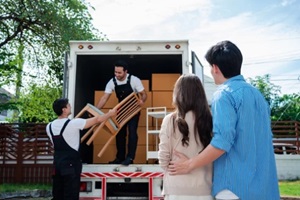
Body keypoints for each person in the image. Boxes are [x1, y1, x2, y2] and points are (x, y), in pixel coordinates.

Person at [168, 41, 280, 200]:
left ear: (215, 68)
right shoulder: (258, 96)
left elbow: (222, 142)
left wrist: (189, 164)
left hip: (234, 189)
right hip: (265, 189)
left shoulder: (224, 95)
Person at [46, 98, 116, 200]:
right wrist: (109, 114)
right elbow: (97, 120)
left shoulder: (49, 126)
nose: (70, 106)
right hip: (71, 167)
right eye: (68, 105)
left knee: (58, 194)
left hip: (57, 166)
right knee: (71, 195)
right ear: (64, 110)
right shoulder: (73, 123)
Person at [158, 74, 213, 200]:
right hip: (204, 190)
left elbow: (163, 160)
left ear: (178, 94)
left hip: (176, 190)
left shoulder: (170, 120)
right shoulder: (211, 121)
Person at [96, 60, 147, 166]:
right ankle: (120, 158)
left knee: (132, 132)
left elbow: (144, 94)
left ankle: (130, 158)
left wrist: (142, 101)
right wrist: (96, 110)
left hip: (133, 109)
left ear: (125, 71)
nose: (117, 75)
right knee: (119, 133)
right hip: (121, 109)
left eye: (119, 73)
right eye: (115, 72)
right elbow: (104, 98)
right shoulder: (112, 82)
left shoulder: (134, 80)